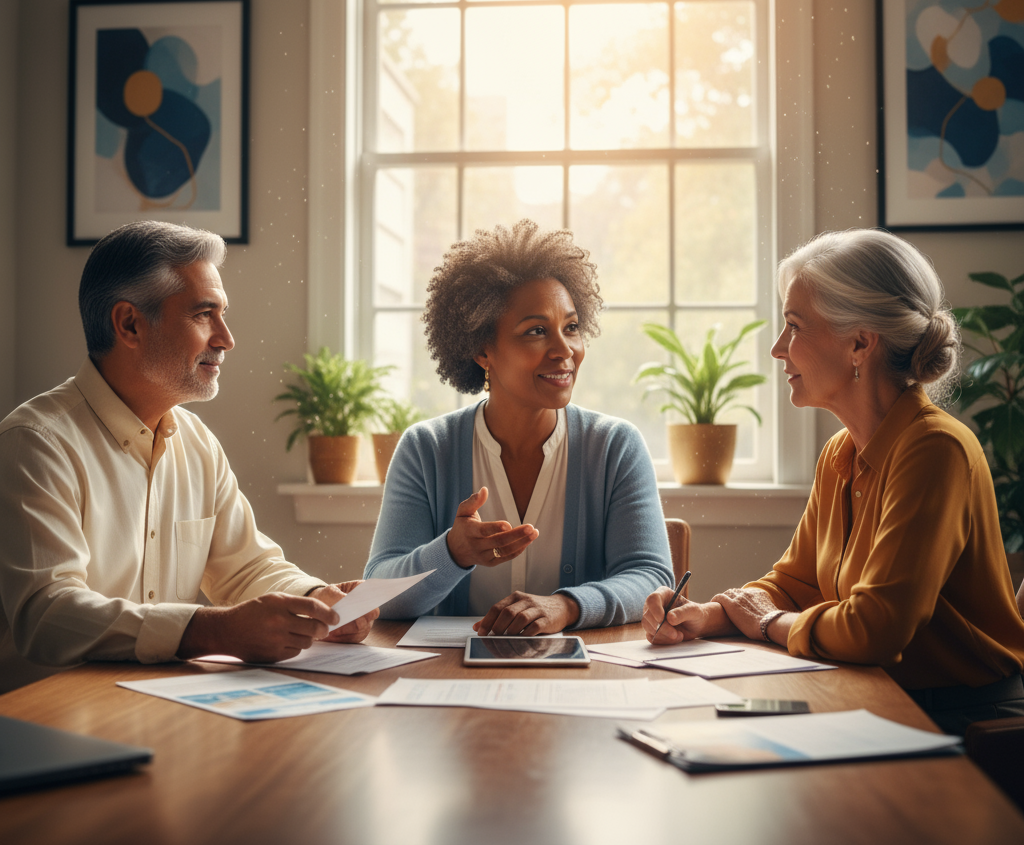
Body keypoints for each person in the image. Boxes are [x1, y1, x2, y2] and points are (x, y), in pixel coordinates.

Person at [643, 229, 1024, 734]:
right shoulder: (840, 452)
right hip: (878, 696)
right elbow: (794, 583)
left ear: (860, 344)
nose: (779, 349)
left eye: (794, 326)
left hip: (964, 720)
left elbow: (874, 630)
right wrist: (708, 615)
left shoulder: (936, 449)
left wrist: (763, 621)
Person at [0, 221, 377, 694]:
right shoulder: (35, 443)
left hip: (157, 703)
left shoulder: (196, 442)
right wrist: (212, 630)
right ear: (129, 324)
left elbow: (245, 567)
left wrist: (315, 601)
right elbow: (49, 615)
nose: (226, 338)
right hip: (46, 720)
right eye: (205, 315)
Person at [364, 220, 673, 634]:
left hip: (585, 680)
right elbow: (377, 590)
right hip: (450, 682)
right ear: (481, 350)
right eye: (536, 332)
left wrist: (567, 606)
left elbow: (651, 577)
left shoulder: (615, 447)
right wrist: (452, 552)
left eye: (572, 327)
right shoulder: (426, 449)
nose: (565, 351)